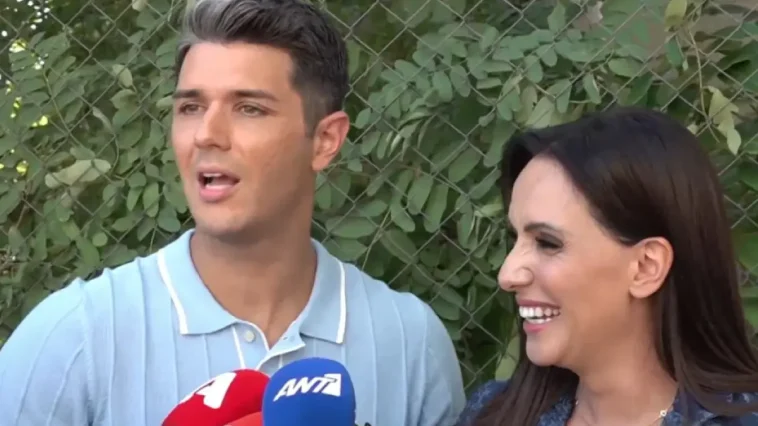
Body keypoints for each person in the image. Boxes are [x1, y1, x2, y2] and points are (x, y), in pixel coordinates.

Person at [0, 0, 466, 425]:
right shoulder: (74, 338)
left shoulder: (410, 342)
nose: (207, 134)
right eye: (190, 107)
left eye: (249, 108)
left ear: (325, 140)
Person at [456, 107, 758, 426]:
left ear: (646, 267)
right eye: (515, 239)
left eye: (547, 242)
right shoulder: (492, 412)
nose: (507, 276)